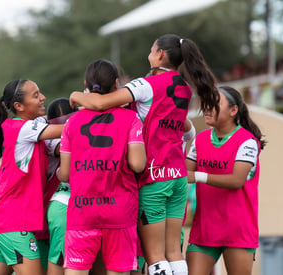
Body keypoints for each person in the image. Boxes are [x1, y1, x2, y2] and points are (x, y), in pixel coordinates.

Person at [69, 34, 219, 275]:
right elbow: (186, 128)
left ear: (160, 54)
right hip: (177, 175)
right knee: (174, 252)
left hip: (154, 176)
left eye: (151, 50)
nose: (148, 55)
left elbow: (101, 103)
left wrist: (77, 96)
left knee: (155, 256)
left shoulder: (145, 85)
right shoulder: (184, 88)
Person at [57, 59, 146, 275]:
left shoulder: (72, 123)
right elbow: (137, 164)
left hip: (82, 212)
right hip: (120, 212)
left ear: (85, 84)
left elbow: (65, 174)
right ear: (116, 85)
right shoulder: (131, 118)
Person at [0, 79, 63, 275]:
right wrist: (94, 112)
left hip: (8, 220)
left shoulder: (32, 131)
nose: (42, 98)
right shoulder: (21, 128)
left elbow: (61, 146)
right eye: (36, 95)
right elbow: (66, 129)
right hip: (13, 222)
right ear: (19, 106)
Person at [185, 86, 267, 275]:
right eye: (206, 102)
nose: (207, 107)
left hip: (237, 231)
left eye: (215, 103)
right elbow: (183, 173)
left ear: (233, 110)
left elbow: (236, 180)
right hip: (204, 229)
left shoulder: (247, 141)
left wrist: (197, 176)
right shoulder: (200, 139)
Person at [43, 98, 77, 275]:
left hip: (80, 204)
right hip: (60, 203)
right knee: (58, 260)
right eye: (59, 123)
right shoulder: (50, 141)